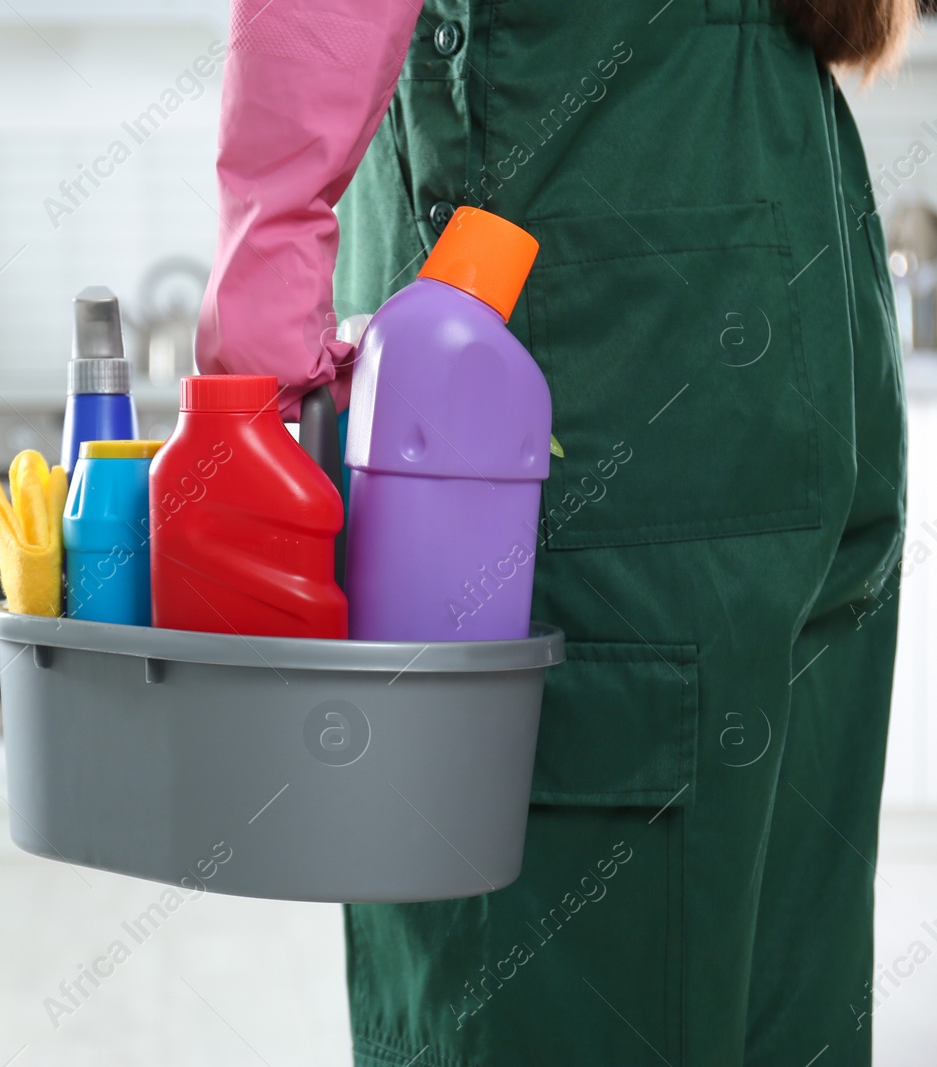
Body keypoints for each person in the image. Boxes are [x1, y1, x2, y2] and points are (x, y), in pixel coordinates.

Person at [195, 0, 914, 1063]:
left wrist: (256, 330)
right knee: (763, 962)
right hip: (772, 284)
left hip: (571, 291)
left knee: (544, 969)